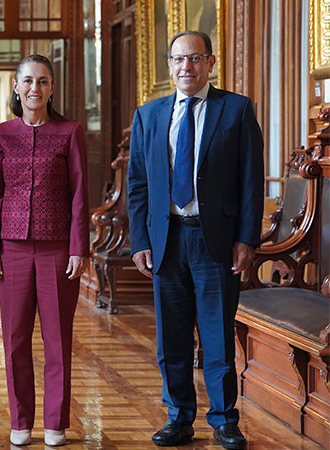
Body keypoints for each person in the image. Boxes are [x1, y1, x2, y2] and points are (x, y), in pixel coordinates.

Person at [127, 31, 263, 449]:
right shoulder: (148, 115)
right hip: (166, 240)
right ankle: (178, 417)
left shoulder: (236, 110)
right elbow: (137, 184)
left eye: (195, 58)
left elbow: (250, 181)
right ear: (169, 65)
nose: (186, 67)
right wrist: (139, 241)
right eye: (178, 59)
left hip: (215, 241)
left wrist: (246, 238)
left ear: (211, 62)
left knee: (218, 335)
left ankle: (224, 421)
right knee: (172, 336)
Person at [0, 54, 89, 447]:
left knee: (58, 339)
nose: (35, 89)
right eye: (27, 81)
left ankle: (56, 424)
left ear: (52, 87)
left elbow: (79, 194)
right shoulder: (2, 133)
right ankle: (21, 421)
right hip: (11, 250)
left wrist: (80, 248)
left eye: (43, 81)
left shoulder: (70, 131)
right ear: (16, 86)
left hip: (59, 250)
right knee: (15, 339)